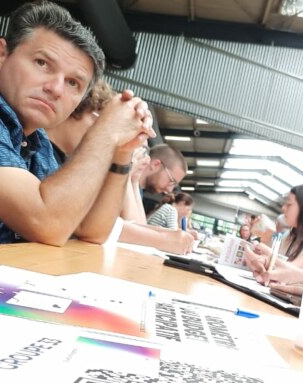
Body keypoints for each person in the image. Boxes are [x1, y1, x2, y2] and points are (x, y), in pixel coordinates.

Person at [0, 0, 155, 246]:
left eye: (73, 83)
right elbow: (49, 224)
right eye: (42, 63)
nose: (56, 88)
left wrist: (123, 151)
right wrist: (105, 130)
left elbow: (91, 230)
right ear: (1, 55)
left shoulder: (36, 140)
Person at [45, 81, 193, 254]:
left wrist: (124, 155)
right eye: (101, 123)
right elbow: (79, 223)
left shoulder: (64, 160)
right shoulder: (44, 153)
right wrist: (162, 238)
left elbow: (96, 228)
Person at [246, 183, 303, 270]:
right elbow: (273, 260)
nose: (283, 208)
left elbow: (289, 270)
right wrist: (262, 245)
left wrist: (267, 254)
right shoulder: (289, 235)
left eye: (289, 204)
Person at [138, 143, 187, 215]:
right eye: (171, 180)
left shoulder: (137, 191)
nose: (170, 190)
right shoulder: (124, 185)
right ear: (156, 165)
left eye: (174, 185)